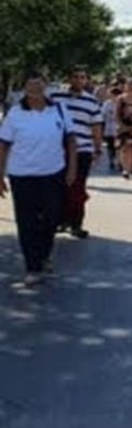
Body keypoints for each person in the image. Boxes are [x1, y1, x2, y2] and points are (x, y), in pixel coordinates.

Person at [0, 70, 77, 286]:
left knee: (51, 218)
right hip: (22, 175)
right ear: (24, 88)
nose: (35, 88)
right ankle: (32, 266)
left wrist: (72, 169)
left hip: (53, 173)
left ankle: (44, 253)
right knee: (26, 222)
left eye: (39, 84)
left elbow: (71, 141)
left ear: (46, 85)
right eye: (30, 85)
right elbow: (3, 145)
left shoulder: (59, 109)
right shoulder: (15, 113)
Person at [51, 66, 104, 239]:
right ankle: (59, 221)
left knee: (78, 188)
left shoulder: (91, 101)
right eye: (75, 77)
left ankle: (76, 224)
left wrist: (97, 149)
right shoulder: (55, 98)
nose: (79, 80)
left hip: (83, 150)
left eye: (83, 77)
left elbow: (96, 126)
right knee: (59, 187)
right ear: (69, 79)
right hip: (58, 150)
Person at [102, 86, 120, 173]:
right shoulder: (107, 103)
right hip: (109, 128)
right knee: (110, 146)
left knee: (118, 146)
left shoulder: (121, 103)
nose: (113, 97)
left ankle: (119, 161)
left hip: (119, 128)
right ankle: (111, 160)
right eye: (112, 95)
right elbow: (103, 115)